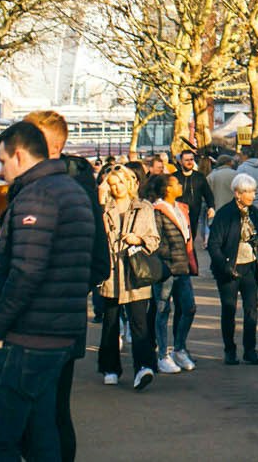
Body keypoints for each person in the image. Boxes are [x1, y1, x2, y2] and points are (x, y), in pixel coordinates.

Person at [0, 118, 102, 462]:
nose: (1, 169)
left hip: (27, 337)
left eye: (2, 161)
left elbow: (26, 271)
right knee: (43, 434)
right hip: (58, 332)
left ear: (18, 154)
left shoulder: (38, 196)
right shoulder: (71, 190)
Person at [17, 110, 108, 462]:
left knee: (49, 413)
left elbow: (99, 258)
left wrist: (64, 290)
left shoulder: (70, 186)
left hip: (51, 320)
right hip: (42, 318)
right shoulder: (28, 183)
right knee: (41, 414)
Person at [95, 163, 161, 389]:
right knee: (110, 322)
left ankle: (144, 367)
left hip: (135, 271)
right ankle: (110, 367)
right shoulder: (104, 209)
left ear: (130, 182)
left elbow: (154, 239)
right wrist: (101, 197)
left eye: (120, 183)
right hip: (111, 273)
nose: (117, 188)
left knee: (139, 322)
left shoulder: (144, 208)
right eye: (112, 184)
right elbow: (96, 238)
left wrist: (139, 240)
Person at [207, 173, 258, 365]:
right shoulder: (225, 214)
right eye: (246, 192)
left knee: (251, 309)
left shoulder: (254, 213)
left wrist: (257, 239)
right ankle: (229, 349)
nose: (251, 195)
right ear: (237, 193)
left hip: (250, 266)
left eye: (253, 191)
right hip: (229, 269)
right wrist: (225, 265)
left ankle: (250, 349)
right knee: (229, 309)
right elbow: (214, 244)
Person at [145, 173, 199, 373]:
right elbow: (157, 239)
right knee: (162, 310)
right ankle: (162, 354)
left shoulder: (180, 208)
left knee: (189, 307)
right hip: (167, 269)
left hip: (182, 267)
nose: (179, 185)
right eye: (175, 183)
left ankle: (179, 348)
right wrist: (166, 257)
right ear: (167, 188)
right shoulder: (158, 211)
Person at [173, 149, 213, 234]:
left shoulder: (199, 177)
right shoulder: (174, 177)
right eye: (186, 160)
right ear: (181, 161)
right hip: (178, 213)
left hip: (194, 213)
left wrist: (211, 207)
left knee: (192, 235)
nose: (189, 162)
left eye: (191, 159)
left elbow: (208, 193)